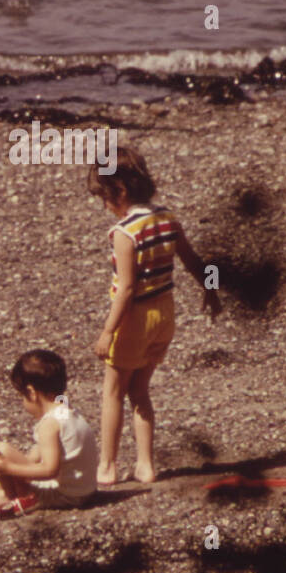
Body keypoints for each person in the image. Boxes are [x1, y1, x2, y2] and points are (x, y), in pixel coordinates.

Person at [87, 146, 221, 485]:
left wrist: (107, 331)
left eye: (105, 197)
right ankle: (145, 465)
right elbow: (193, 259)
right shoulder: (166, 218)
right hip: (164, 314)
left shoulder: (124, 233)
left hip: (134, 318)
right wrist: (211, 289)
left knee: (113, 392)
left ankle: (107, 465)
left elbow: (128, 289)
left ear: (120, 191)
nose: (104, 206)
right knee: (141, 391)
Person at [0, 349, 98, 524]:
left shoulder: (49, 424)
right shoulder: (67, 410)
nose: (23, 402)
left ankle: (10, 498)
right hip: (85, 491)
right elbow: (42, 452)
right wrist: (24, 465)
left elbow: (50, 470)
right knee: (9, 454)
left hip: (66, 496)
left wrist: (9, 469)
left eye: (22, 396)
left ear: (32, 393)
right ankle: (13, 492)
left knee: (0, 451)